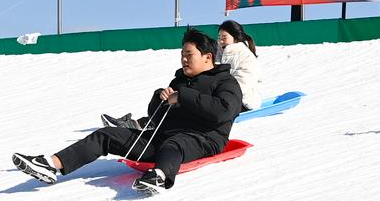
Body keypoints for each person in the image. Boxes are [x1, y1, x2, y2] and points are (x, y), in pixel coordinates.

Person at [14, 29, 241, 195]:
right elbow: (156, 118)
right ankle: (51, 164)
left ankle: (160, 177)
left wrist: (184, 97)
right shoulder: (179, 80)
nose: (183, 59)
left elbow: (223, 112)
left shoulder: (225, 82)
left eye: (188, 54)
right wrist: (160, 99)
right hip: (163, 138)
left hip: (203, 139)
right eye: (182, 54)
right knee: (106, 134)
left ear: (207, 57)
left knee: (175, 143)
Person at [103, 19, 262, 129]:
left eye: (224, 37)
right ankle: (137, 124)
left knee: (187, 106)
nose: (220, 41)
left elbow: (242, 83)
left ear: (235, 37)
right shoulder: (219, 55)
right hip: (215, 97)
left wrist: (214, 92)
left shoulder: (245, 56)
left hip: (238, 103)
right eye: (219, 37)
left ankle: (141, 125)